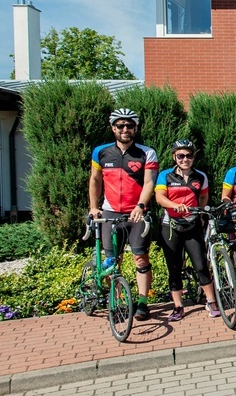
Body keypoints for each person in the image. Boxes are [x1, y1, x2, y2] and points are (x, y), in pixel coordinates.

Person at [89, 108, 158, 321]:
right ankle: (116, 302)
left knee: (140, 258)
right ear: (113, 128)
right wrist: (93, 207)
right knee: (112, 261)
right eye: (120, 125)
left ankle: (142, 303)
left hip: (136, 213)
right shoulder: (101, 152)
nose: (125, 129)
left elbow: (149, 182)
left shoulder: (147, 153)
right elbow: (95, 180)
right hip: (110, 212)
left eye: (129, 125)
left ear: (135, 128)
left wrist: (140, 206)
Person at [154, 140, 219, 321]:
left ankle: (211, 301)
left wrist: (200, 212)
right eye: (180, 156)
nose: (185, 159)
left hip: (192, 225)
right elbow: (159, 197)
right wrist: (174, 205)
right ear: (174, 157)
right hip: (171, 226)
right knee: (174, 267)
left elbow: (204, 196)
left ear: (193, 157)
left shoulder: (200, 177)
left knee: (201, 265)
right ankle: (178, 306)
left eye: (188, 155)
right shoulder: (165, 176)